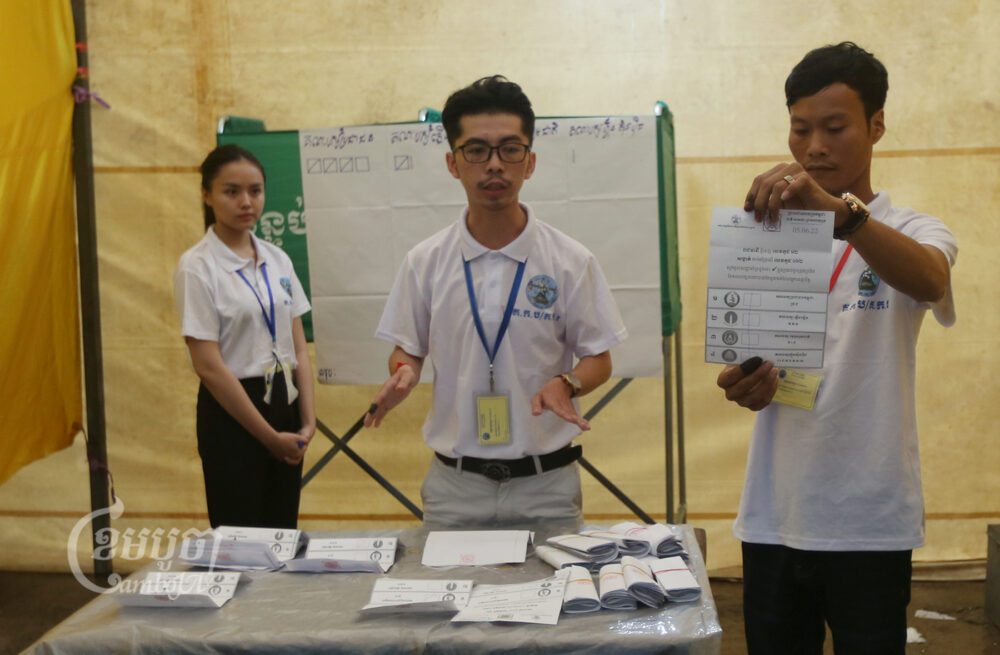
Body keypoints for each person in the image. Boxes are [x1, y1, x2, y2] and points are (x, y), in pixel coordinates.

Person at [717, 43, 957, 654]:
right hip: (775, 511)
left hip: (870, 522)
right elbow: (744, 357)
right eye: (801, 129)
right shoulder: (764, 234)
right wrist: (746, 383)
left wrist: (841, 215)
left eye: (834, 127)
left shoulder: (913, 228)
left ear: (876, 125)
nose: (814, 146)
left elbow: (931, 280)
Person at [365, 75, 627, 527]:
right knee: (449, 599)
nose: (494, 165)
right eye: (476, 151)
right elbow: (407, 349)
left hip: (546, 485)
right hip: (455, 487)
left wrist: (567, 383)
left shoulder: (569, 260)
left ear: (530, 162)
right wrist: (402, 372)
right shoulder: (424, 261)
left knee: (551, 599)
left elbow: (598, 359)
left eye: (510, 149)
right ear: (453, 163)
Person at [174, 144, 316, 529]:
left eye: (255, 190)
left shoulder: (277, 258)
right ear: (207, 194)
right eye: (231, 191)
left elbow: (298, 346)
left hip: (284, 400)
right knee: (241, 540)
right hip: (234, 411)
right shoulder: (198, 266)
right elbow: (209, 366)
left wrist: (307, 419)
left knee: (282, 530)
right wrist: (269, 436)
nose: (246, 201)